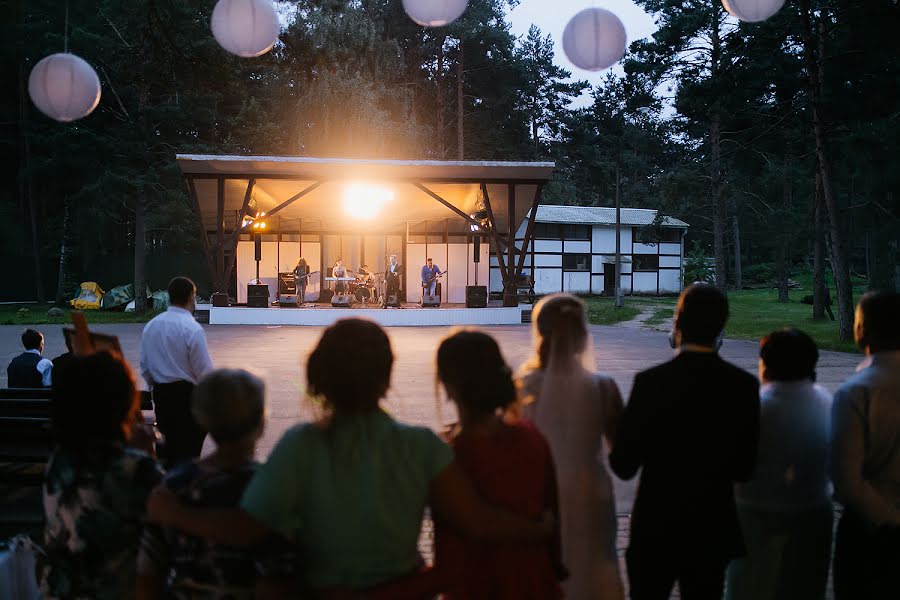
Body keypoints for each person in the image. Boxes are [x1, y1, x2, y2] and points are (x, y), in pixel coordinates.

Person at [147, 318, 551, 596]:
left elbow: (246, 528)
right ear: (388, 376)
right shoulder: (422, 446)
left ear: (319, 378)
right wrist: (541, 531)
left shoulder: (299, 444)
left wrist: (174, 514)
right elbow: (477, 520)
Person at [609, 283, 760, 600]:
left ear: (677, 322)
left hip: (656, 525)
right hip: (712, 526)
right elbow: (745, 469)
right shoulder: (743, 386)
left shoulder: (650, 383)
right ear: (722, 325)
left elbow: (623, 466)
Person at [137, 369, 294, 599]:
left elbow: (147, 578)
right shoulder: (271, 488)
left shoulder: (172, 488)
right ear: (261, 423)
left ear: (203, 419)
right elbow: (277, 580)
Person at [435, 329, 564, 600]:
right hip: (533, 579)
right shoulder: (532, 438)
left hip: (474, 583)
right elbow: (551, 509)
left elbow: (477, 522)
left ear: (448, 386)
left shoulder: (449, 452)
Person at [516, 293, 626, 600]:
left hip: (537, 495)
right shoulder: (603, 387)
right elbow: (622, 455)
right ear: (581, 335)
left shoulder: (520, 387)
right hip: (591, 492)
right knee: (592, 572)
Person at [41, 351, 164, 600]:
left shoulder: (60, 460)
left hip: (60, 590)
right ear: (123, 402)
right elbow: (161, 531)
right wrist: (148, 455)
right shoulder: (136, 470)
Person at [726, 328, 833, 600]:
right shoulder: (826, 401)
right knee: (806, 584)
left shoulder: (753, 405)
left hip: (752, 508)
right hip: (813, 507)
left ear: (766, 363)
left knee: (746, 584)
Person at [831, 291, 900, 599]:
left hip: (870, 532)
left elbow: (847, 481)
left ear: (862, 329)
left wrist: (888, 518)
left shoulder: (857, 391)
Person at [139, 276, 213, 467]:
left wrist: (155, 385)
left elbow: (145, 366)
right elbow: (204, 373)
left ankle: (167, 486)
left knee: (167, 449)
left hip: (162, 395)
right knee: (188, 454)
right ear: (191, 296)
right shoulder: (192, 329)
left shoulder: (151, 326)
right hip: (188, 399)